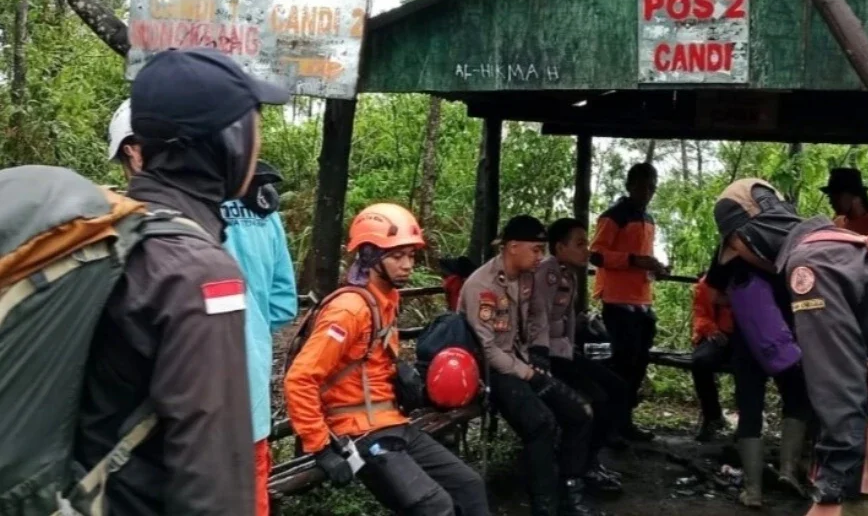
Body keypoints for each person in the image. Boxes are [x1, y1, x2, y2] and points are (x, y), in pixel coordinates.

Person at [77, 47, 289, 515]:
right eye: (253, 124)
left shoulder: (113, 231)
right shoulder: (198, 272)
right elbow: (210, 485)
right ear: (228, 142)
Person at [715, 178, 868, 516]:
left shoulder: (810, 265)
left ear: (749, 235)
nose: (742, 256)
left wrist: (832, 488)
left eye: (736, 245)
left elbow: (837, 383)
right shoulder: (844, 243)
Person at [284, 203, 488, 516]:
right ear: (369, 256)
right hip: (358, 431)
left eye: (411, 255)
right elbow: (300, 379)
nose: (407, 265)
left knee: (470, 487)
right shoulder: (349, 310)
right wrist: (320, 446)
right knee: (435, 507)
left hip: (391, 423)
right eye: (396, 256)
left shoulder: (386, 299)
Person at [462, 215, 598, 516]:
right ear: (512, 247)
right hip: (491, 372)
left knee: (580, 412)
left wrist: (538, 354)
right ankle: (544, 506)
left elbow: (537, 316)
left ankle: (570, 492)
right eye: (536, 249)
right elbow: (487, 350)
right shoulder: (482, 286)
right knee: (541, 423)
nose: (541, 256)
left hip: (521, 362)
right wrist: (527, 373)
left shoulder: (526, 277)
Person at [220, 161, 299, 515]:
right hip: (249, 387)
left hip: (187, 396)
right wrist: (252, 328)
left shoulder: (180, 206)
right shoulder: (265, 206)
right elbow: (284, 303)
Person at [705, 254, 813, 506]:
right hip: (786, 339)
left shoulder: (731, 247)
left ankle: (753, 491)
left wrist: (744, 299)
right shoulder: (791, 242)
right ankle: (788, 471)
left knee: (750, 408)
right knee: (797, 401)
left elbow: (713, 296)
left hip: (748, 340)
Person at [531, 217, 628, 494]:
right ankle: (580, 467)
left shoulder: (569, 274)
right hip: (547, 355)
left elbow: (569, 320)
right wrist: (547, 359)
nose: (587, 249)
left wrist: (572, 348)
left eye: (586, 243)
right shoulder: (547, 273)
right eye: (580, 243)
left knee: (618, 388)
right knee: (597, 398)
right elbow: (537, 319)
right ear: (559, 248)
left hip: (564, 352)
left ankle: (590, 459)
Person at [590, 162, 666, 442]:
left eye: (653, 185)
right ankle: (610, 427)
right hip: (617, 302)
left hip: (643, 301)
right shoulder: (613, 217)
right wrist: (633, 260)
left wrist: (654, 267)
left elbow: (642, 256)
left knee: (638, 366)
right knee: (620, 366)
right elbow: (596, 255)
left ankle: (625, 422)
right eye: (645, 185)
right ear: (630, 185)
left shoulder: (649, 219)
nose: (650, 191)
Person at [690, 269, 734, 442]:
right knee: (700, 362)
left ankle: (749, 424)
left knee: (747, 366)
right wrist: (711, 330)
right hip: (717, 333)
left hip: (746, 335)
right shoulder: (706, 284)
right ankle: (712, 416)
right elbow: (700, 314)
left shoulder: (750, 280)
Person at [822, 167, 868, 235]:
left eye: (837, 197)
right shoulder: (837, 222)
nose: (831, 202)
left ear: (854, 195)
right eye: (830, 197)